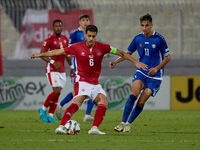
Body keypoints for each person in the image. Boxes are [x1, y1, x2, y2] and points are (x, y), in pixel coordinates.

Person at [30, 24, 147, 134]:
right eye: (89, 36)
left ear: (96, 35)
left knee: (103, 101)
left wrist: (136, 62)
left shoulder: (103, 47)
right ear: (85, 35)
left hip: (95, 82)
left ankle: (94, 128)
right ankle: (61, 127)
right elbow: (58, 51)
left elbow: (122, 53)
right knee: (78, 102)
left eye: (93, 36)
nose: (91, 38)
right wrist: (41, 55)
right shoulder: (76, 47)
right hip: (82, 81)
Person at [110, 13, 171, 132]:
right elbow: (127, 54)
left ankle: (129, 123)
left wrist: (157, 68)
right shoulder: (138, 38)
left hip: (155, 76)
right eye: (142, 25)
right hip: (141, 72)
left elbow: (168, 57)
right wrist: (116, 61)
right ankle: (122, 123)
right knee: (133, 94)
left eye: (147, 25)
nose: (144, 28)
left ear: (151, 25)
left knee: (141, 101)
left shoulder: (159, 39)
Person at [55, 14, 95, 122]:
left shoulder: (90, 34)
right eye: (83, 20)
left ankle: (87, 115)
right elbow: (68, 51)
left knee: (91, 89)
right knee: (78, 92)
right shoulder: (75, 34)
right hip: (78, 66)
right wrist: (72, 66)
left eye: (87, 20)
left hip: (89, 66)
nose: (85, 22)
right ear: (79, 22)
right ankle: (61, 105)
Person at [38, 19, 74, 123]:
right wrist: (52, 62)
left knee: (58, 93)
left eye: (60, 26)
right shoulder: (49, 39)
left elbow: (66, 55)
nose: (58, 28)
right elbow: (41, 54)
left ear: (62, 27)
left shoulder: (65, 39)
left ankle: (50, 115)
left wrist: (71, 67)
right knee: (56, 91)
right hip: (52, 68)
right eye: (56, 26)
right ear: (53, 28)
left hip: (62, 69)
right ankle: (43, 109)